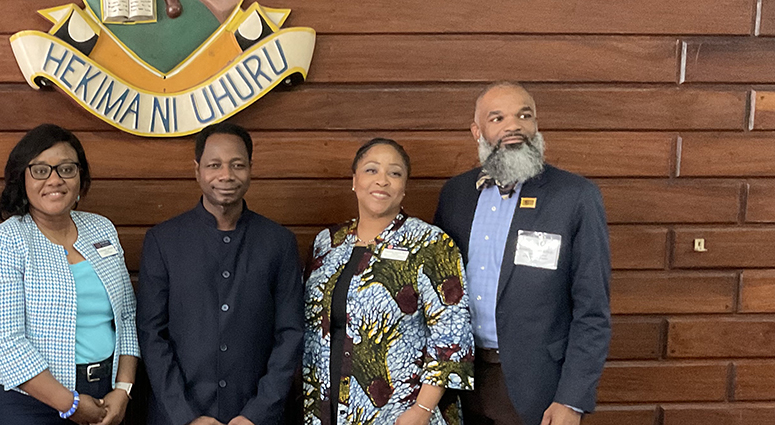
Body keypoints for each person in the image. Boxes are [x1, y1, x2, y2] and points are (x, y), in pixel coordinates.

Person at [433, 82, 612, 425]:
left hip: (538, 389)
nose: (512, 126)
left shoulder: (575, 197)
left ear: (536, 125)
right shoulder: (456, 195)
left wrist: (572, 400)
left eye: (523, 115)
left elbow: (592, 311)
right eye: (497, 118)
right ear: (478, 131)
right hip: (460, 382)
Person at [137, 122, 303, 425]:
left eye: (237, 165)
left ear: (251, 168)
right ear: (197, 169)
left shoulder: (278, 242)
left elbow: (290, 334)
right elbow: (152, 335)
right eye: (214, 165)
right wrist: (186, 416)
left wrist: (257, 413)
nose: (226, 175)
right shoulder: (163, 241)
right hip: (177, 417)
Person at [302, 138, 474, 425]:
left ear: (404, 188)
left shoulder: (431, 244)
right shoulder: (326, 244)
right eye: (371, 170)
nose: (382, 180)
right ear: (354, 181)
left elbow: (453, 335)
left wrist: (422, 410)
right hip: (326, 409)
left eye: (394, 173)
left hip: (403, 415)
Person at [0, 124, 140, 425]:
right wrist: (70, 403)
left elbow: (127, 317)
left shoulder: (101, 229)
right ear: (21, 179)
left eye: (66, 169)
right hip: (27, 404)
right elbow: (3, 341)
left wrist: (123, 389)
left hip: (105, 396)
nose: (55, 180)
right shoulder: (6, 241)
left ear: (80, 176)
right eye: (40, 170)